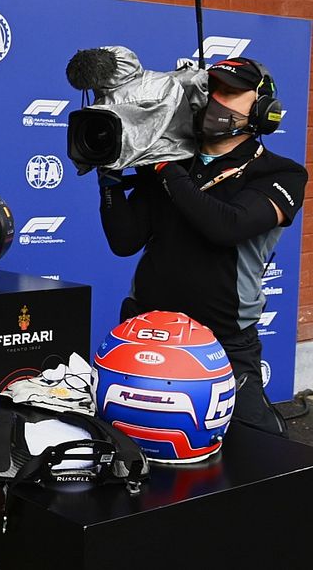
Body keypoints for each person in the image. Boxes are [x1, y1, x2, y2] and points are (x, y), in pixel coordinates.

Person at [99, 56, 308, 437]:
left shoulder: (281, 173)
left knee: (253, 444)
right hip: (145, 327)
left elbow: (226, 226)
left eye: (230, 93)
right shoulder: (171, 162)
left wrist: (164, 165)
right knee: (131, 438)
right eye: (211, 90)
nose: (215, 101)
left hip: (223, 339)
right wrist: (109, 177)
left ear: (262, 110)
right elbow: (124, 240)